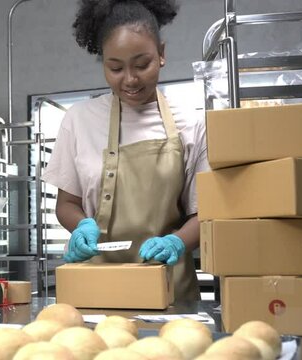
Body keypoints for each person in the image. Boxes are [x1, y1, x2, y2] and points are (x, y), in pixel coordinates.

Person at [41, 0, 210, 301]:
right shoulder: (79, 120)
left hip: (169, 290)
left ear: (162, 54)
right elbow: (67, 203)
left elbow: (204, 214)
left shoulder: (192, 122)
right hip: (96, 291)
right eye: (115, 67)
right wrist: (81, 225)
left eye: (142, 64)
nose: (130, 79)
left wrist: (175, 243)